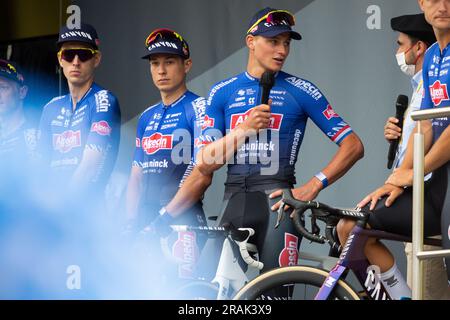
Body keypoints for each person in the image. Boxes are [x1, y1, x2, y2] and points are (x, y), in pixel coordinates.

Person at [159, 7, 364, 297]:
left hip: (279, 205)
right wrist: (243, 130)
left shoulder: (300, 90)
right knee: (207, 294)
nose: (281, 50)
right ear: (250, 41)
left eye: (286, 42)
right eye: (273, 41)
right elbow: (205, 162)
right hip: (235, 200)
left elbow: (354, 145)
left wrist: (312, 186)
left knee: (276, 295)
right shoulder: (222, 92)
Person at [337, 0, 450, 300]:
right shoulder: (436, 57)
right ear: (422, 3)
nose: (443, 6)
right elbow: (424, 129)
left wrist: (411, 174)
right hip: (436, 186)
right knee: (356, 222)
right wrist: (395, 180)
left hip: (441, 184)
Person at [124, 28, 207, 290]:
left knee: (180, 293)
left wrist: (165, 218)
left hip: (182, 221)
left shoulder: (200, 107)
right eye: (155, 63)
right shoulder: (147, 116)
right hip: (146, 220)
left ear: (187, 65)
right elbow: (136, 175)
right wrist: (130, 224)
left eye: (169, 62)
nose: (161, 70)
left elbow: (201, 172)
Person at [385, 13, 450, 300]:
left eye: (401, 45)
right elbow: (423, 130)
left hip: (432, 189)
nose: (398, 52)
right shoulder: (426, 74)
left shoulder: (432, 73)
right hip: (418, 188)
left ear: (418, 47)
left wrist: (411, 174)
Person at [37, 23, 121, 202]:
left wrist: (60, 208)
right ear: (60, 60)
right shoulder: (50, 107)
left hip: (86, 212)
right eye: (68, 54)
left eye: (83, 54)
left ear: (96, 59)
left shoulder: (104, 101)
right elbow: (38, 167)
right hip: (50, 209)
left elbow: (90, 166)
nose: (75, 61)